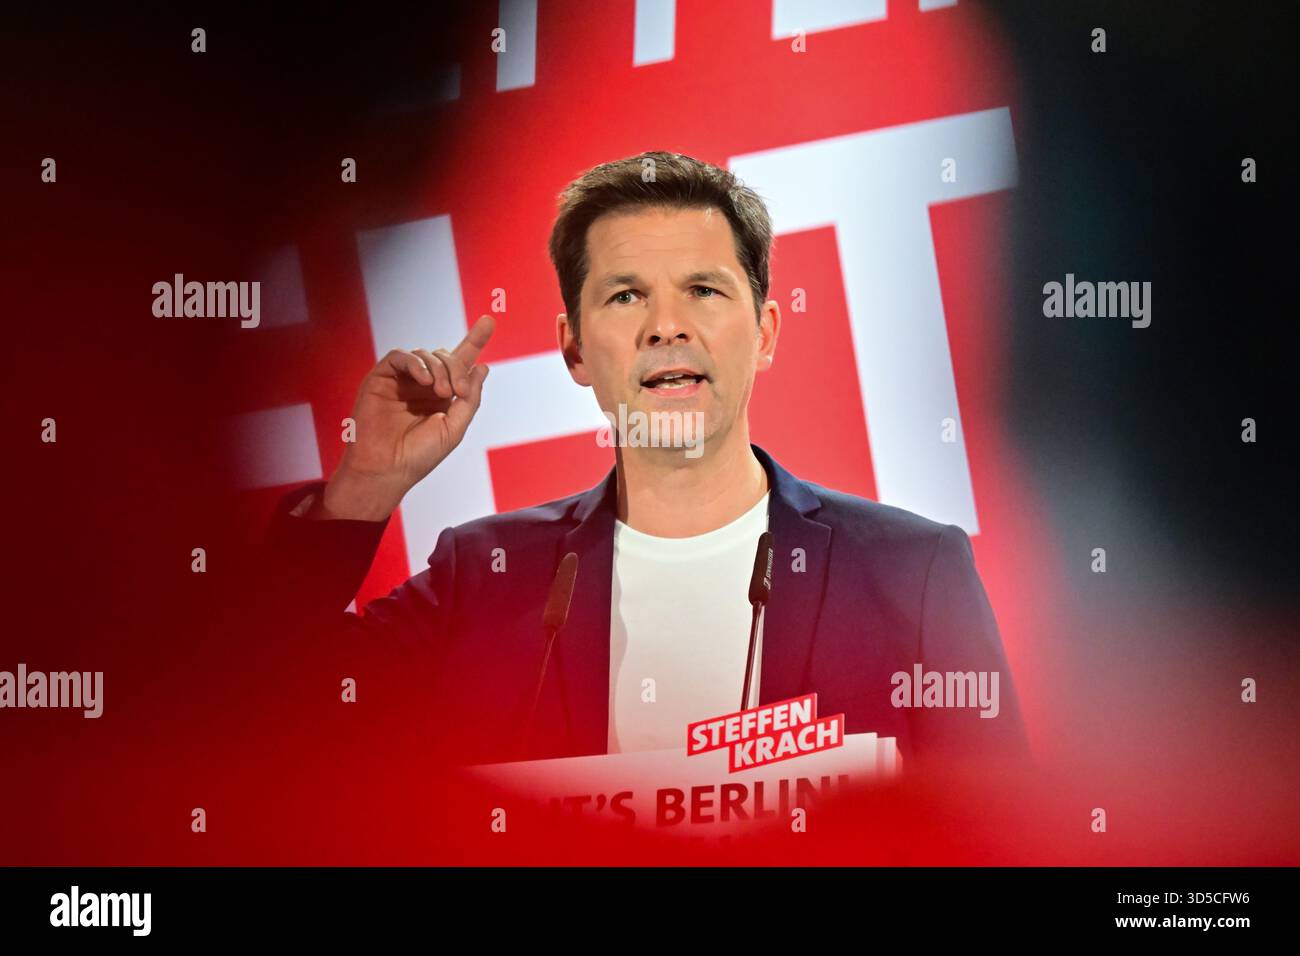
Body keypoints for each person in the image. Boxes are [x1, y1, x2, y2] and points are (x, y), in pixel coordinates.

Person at [262, 151, 1030, 773]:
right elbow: (261, 716)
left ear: (764, 332)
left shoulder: (912, 573)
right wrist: (364, 488)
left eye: (702, 289)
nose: (666, 325)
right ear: (574, 348)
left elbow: (998, 842)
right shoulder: (482, 576)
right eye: (625, 297)